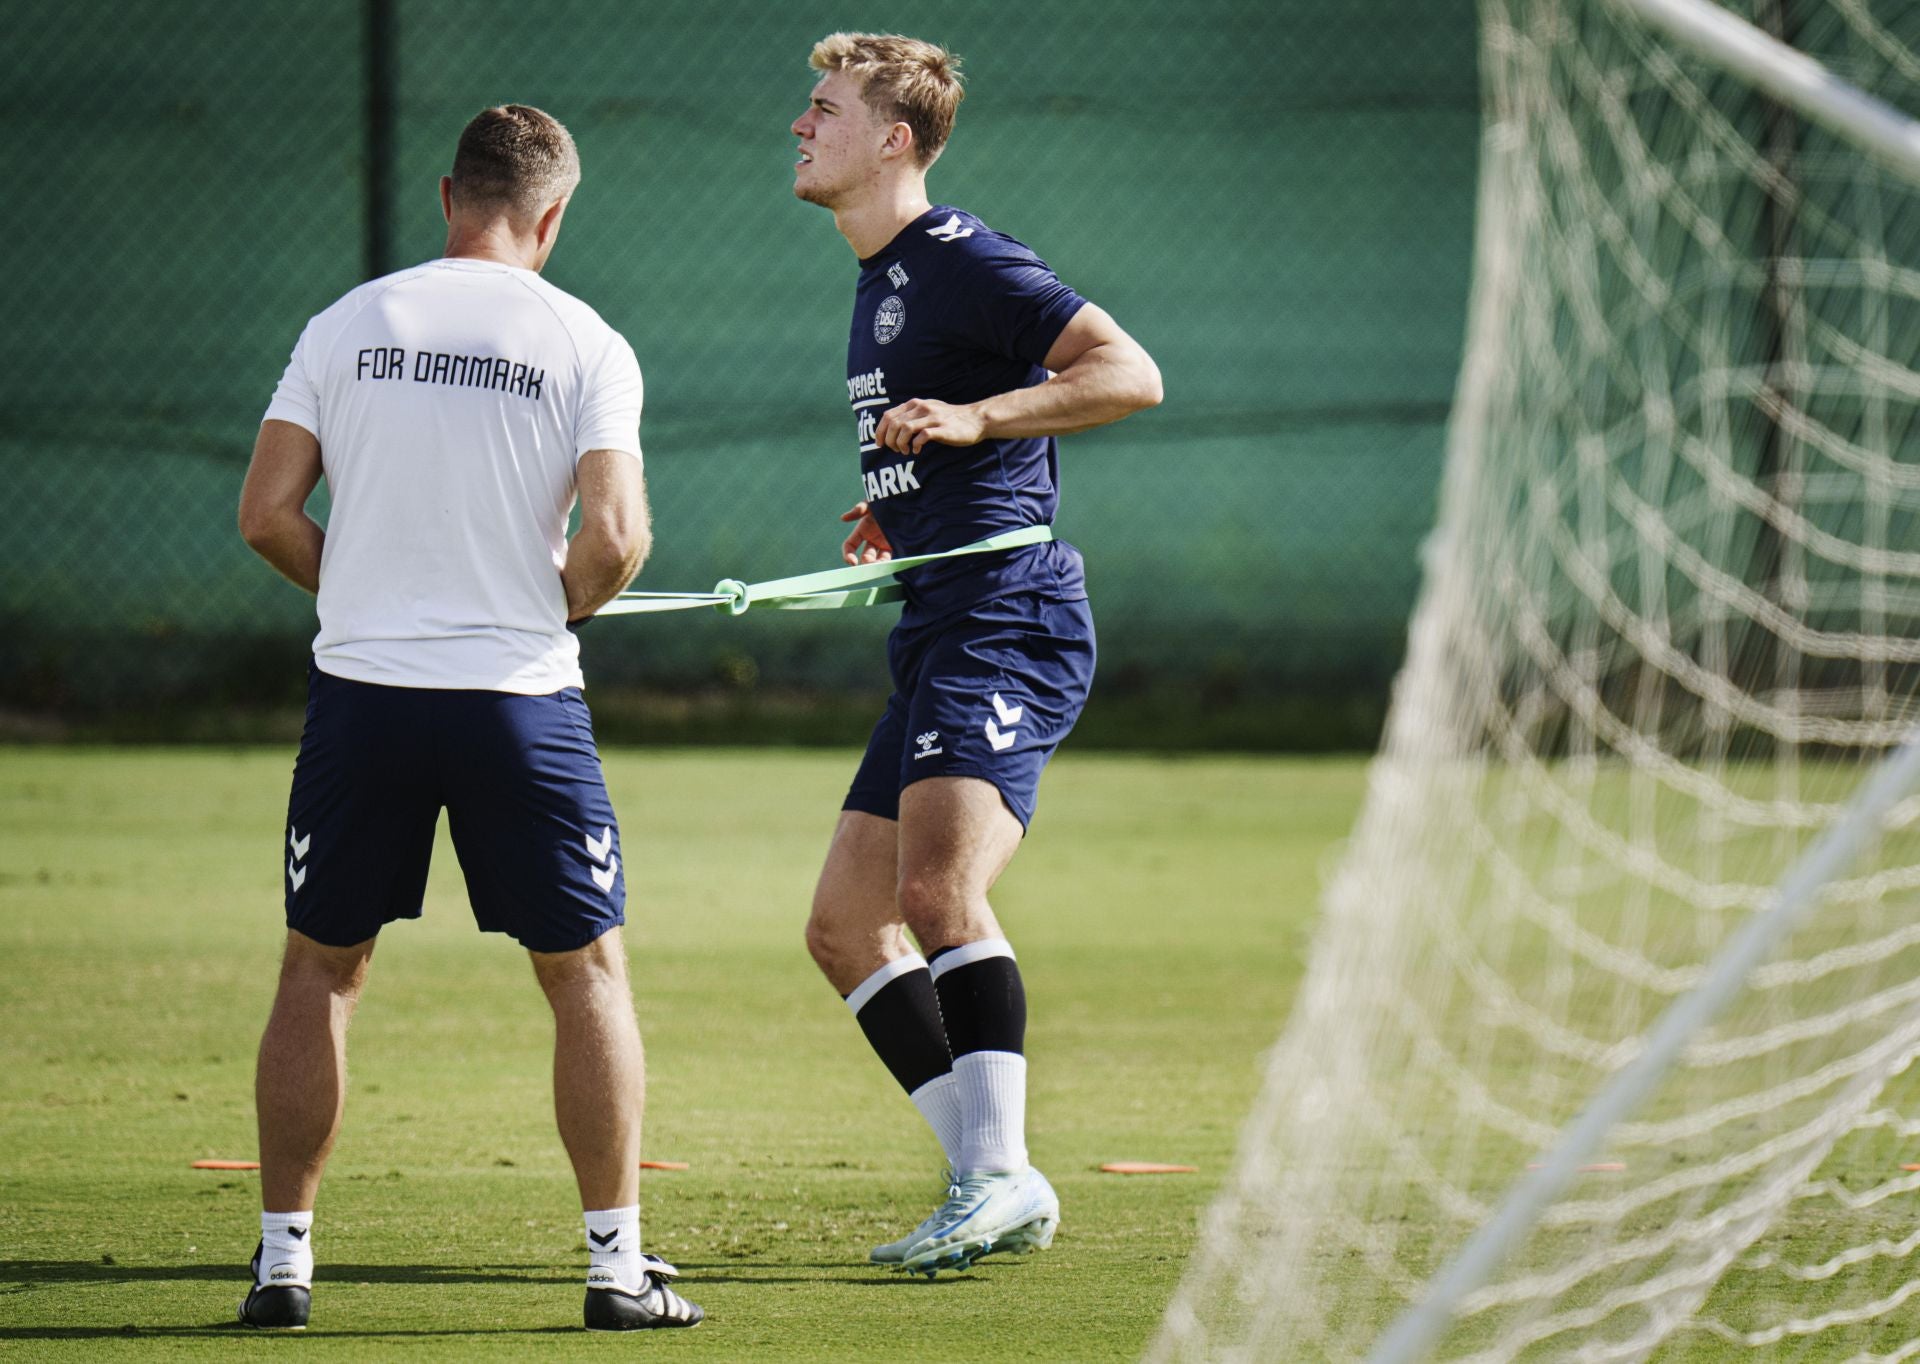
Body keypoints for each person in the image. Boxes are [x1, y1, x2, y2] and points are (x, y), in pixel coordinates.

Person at [234, 104, 700, 1332]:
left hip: (363, 701)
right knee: (586, 973)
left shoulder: (349, 323)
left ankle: (283, 1264)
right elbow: (619, 537)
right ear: (552, 216)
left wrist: (377, 597)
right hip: (518, 706)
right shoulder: (585, 338)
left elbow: (267, 514)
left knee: (322, 970)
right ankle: (614, 1271)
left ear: (450, 196)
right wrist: (557, 611)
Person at [790, 34, 1163, 1276]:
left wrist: (978, 414)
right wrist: (905, 495)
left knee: (939, 897)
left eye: (826, 108)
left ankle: (999, 1175)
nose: (803, 124)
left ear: (894, 140)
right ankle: (990, 1175)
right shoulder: (878, 277)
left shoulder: (962, 258)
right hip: (941, 609)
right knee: (847, 925)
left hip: (1011, 614)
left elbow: (1129, 373)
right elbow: (953, 436)